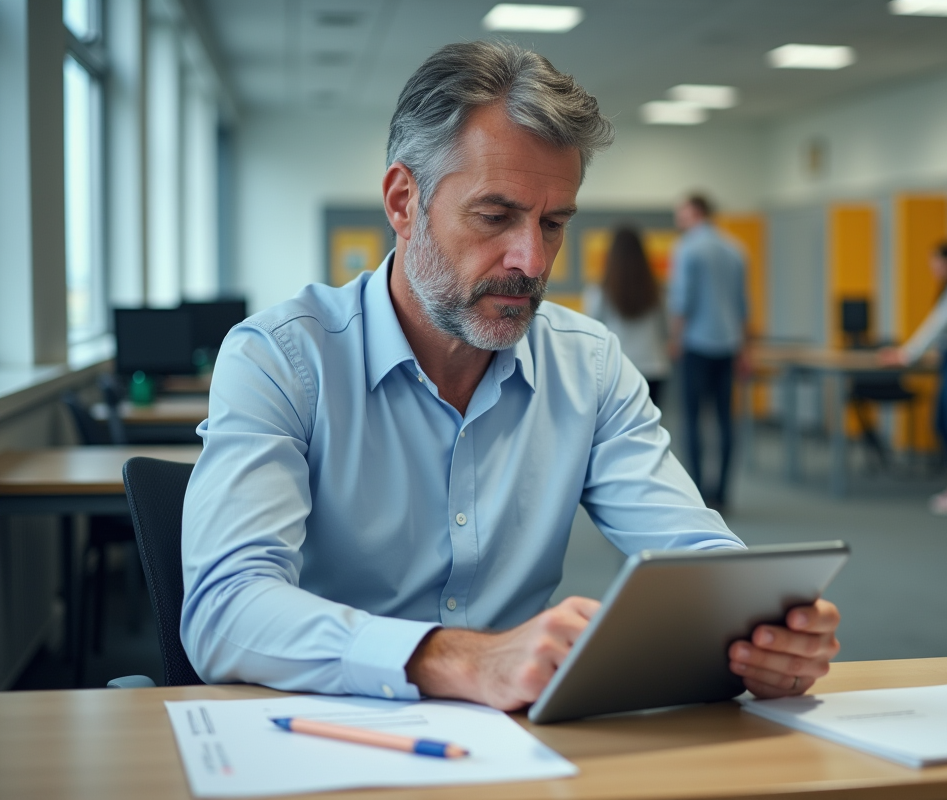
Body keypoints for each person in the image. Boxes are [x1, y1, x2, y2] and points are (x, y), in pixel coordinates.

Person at [180, 41, 839, 711]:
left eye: (554, 224)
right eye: (495, 217)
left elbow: (691, 550)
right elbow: (225, 609)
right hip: (326, 731)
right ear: (405, 202)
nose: (531, 259)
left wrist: (764, 626)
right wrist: (457, 658)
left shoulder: (588, 364)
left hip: (525, 743)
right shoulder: (281, 359)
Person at [879, 241, 947, 515]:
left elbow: (938, 325)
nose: (934, 269)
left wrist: (907, 354)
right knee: (943, 422)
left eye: (938, 263)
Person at [668, 194, 748, 511]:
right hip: (729, 345)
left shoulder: (688, 248)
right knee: (725, 420)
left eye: (682, 212)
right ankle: (723, 494)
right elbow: (743, 306)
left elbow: (681, 302)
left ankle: (699, 492)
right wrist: (745, 348)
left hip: (696, 345)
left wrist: (675, 339)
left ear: (696, 212)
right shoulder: (736, 249)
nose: (678, 218)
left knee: (692, 420)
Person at [583, 226, 670, 406]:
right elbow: (666, 329)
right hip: (653, 366)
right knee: (650, 428)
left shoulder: (600, 291)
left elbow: (591, 330)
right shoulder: (657, 289)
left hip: (617, 368)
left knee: (619, 429)